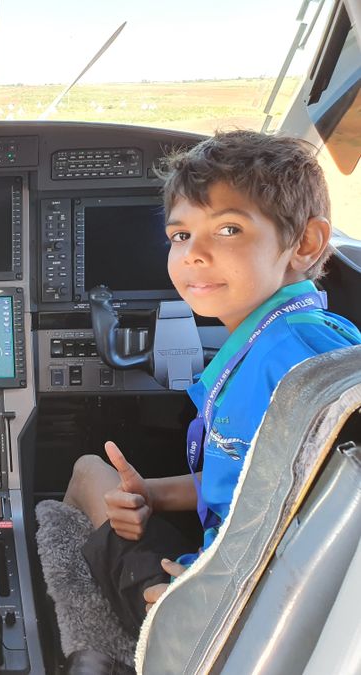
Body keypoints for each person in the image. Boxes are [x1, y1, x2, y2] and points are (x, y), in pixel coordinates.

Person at [63, 130, 361, 637]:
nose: (193, 254)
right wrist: (151, 496)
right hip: (226, 578)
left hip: (222, 614)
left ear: (306, 243)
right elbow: (254, 478)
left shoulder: (303, 363)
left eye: (227, 230)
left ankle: (70, 617)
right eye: (180, 235)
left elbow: (333, 527)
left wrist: (211, 589)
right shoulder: (283, 335)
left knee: (89, 474)